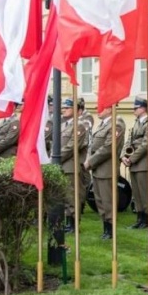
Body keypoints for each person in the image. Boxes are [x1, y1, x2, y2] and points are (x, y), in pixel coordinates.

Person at [84, 105, 126, 239]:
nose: (97, 110)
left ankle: (111, 229)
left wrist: (90, 162)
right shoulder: (104, 124)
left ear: (109, 109)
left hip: (107, 169)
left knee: (108, 201)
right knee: (100, 201)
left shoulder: (116, 125)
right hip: (98, 169)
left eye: (101, 107)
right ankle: (106, 227)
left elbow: (108, 148)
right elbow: (94, 146)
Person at [122, 95, 148, 229]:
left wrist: (131, 158)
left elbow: (145, 145)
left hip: (142, 164)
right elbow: (129, 141)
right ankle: (140, 218)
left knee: (144, 193)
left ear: (143, 108)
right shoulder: (137, 122)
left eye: (136, 108)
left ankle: (147, 220)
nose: (133, 110)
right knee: (136, 194)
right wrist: (123, 156)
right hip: (134, 163)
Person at [59, 98, 89, 233]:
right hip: (63, 165)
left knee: (73, 196)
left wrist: (56, 158)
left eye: (67, 107)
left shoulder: (79, 126)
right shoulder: (65, 125)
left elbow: (71, 146)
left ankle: (74, 224)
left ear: (77, 111)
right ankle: (68, 222)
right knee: (66, 196)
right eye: (64, 107)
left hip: (72, 166)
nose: (64, 109)